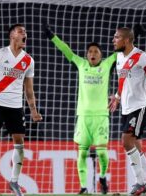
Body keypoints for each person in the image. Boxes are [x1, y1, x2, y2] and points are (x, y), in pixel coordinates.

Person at [43, 24, 116, 194]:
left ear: (101, 55)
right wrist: (52, 36)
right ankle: (84, 187)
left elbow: (122, 50)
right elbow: (66, 50)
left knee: (103, 153)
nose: (92, 54)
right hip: (83, 117)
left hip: (101, 116)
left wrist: (134, 33)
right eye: (90, 51)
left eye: (96, 51)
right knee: (81, 154)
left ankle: (103, 176)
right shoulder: (81, 64)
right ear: (86, 55)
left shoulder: (106, 66)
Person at [0, 24, 42, 196]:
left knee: (19, 145)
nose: (25, 34)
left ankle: (14, 182)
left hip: (16, 107)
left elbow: (29, 90)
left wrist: (33, 110)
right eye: (21, 31)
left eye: (25, 31)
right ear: (12, 36)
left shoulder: (28, 61)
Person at [108, 26, 146, 195]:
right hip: (126, 108)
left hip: (140, 107)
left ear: (126, 40)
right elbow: (122, 80)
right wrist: (117, 97)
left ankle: (139, 183)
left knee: (126, 141)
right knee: (137, 147)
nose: (113, 40)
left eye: (116, 37)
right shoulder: (119, 57)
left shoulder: (142, 57)